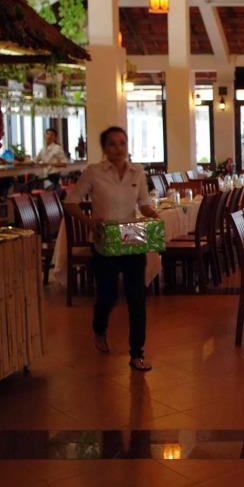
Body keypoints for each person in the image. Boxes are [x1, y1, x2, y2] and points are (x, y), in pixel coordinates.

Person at [65, 126, 159, 372]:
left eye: (122, 143)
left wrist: (151, 212)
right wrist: (89, 222)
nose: (118, 149)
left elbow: (144, 202)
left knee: (137, 297)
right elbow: (71, 202)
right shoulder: (94, 173)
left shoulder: (138, 172)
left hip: (131, 237)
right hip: (104, 239)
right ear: (104, 148)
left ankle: (137, 353)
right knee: (108, 295)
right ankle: (99, 328)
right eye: (112, 144)